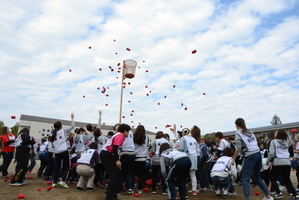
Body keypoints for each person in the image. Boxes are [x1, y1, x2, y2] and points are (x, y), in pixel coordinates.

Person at [231, 118, 273, 200]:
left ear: (236, 125)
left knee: (245, 178)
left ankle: (247, 198)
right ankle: (268, 195)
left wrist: (234, 159)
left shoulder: (238, 133)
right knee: (257, 176)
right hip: (258, 154)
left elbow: (238, 148)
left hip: (250, 155)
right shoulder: (250, 131)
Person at [100, 123, 131, 200]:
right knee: (113, 175)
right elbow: (115, 148)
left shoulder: (118, 135)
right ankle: (110, 196)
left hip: (108, 154)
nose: (128, 133)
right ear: (124, 131)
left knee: (117, 174)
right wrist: (117, 160)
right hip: (107, 154)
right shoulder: (120, 135)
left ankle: (112, 194)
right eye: (128, 131)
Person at [267, 130, 299, 200]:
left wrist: (268, 160)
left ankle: (278, 193)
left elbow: (271, 153)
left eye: (276, 132)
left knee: (272, 178)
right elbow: (292, 142)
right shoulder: (287, 142)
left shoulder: (273, 142)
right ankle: (295, 195)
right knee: (287, 180)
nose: (274, 133)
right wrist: (293, 134)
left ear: (278, 134)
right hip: (287, 162)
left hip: (278, 161)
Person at [49, 112, 75, 189]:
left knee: (57, 168)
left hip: (56, 152)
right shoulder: (63, 131)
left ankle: (54, 182)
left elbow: (52, 144)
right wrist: (72, 118)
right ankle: (63, 181)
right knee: (67, 166)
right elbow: (72, 126)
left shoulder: (52, 134)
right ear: (60, 126)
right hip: (64, 150)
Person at [177, 128, 198, 196]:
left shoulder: (183, 138)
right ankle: (194, 190)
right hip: (195, 157)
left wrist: (176, 149)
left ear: (183, 133)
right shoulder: (193, 138)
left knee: (183, 175)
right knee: (193, 174)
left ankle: (182, 191)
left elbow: (182, 149)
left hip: (187, 156)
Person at [132, 125, 149, 194]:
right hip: (143, 158)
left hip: (135, 157)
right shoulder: (146, 137)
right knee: (141, 174)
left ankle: (132, 187)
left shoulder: (133, 137)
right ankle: (140, 189)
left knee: (132, 174)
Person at [118, 129, 136, 194]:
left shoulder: (121, 133)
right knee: (128, 172)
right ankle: (129, 188)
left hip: (125, 153)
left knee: (122, 172)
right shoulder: (131, 132)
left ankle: (119, 189)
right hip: (132, 153)